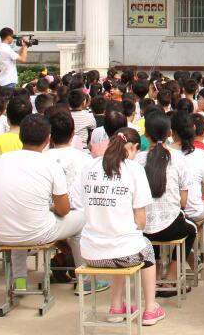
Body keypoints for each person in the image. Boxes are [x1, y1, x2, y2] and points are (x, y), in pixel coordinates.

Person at [76, 127, 164, 326]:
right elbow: (140, 220)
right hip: (123, 253)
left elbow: (83, 203)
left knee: (121, 245)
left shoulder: (89, 166)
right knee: (143, 246)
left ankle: (116, 307)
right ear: (133, 147)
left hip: (90, 253)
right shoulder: (134, 169)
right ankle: (150, 309)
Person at [0, 113, 86, 290]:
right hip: (37, 231)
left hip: (2, 232)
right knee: (81, 219)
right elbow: (64, 210)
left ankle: (20, 282)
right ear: (48, 138)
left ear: (20, 136)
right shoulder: (49, 164)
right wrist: (51, 208)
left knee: (19, 219)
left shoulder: (2, 160)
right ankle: (85, 280)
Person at [137, 113, 196, 296]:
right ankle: (170, 278)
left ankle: (152, 279)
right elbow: (183, 201)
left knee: (150, 235)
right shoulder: (178, 158)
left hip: (142, 227)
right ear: (170, 133)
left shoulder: (138, 159)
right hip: (171, 226)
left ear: (146, 134)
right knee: (191, 230)